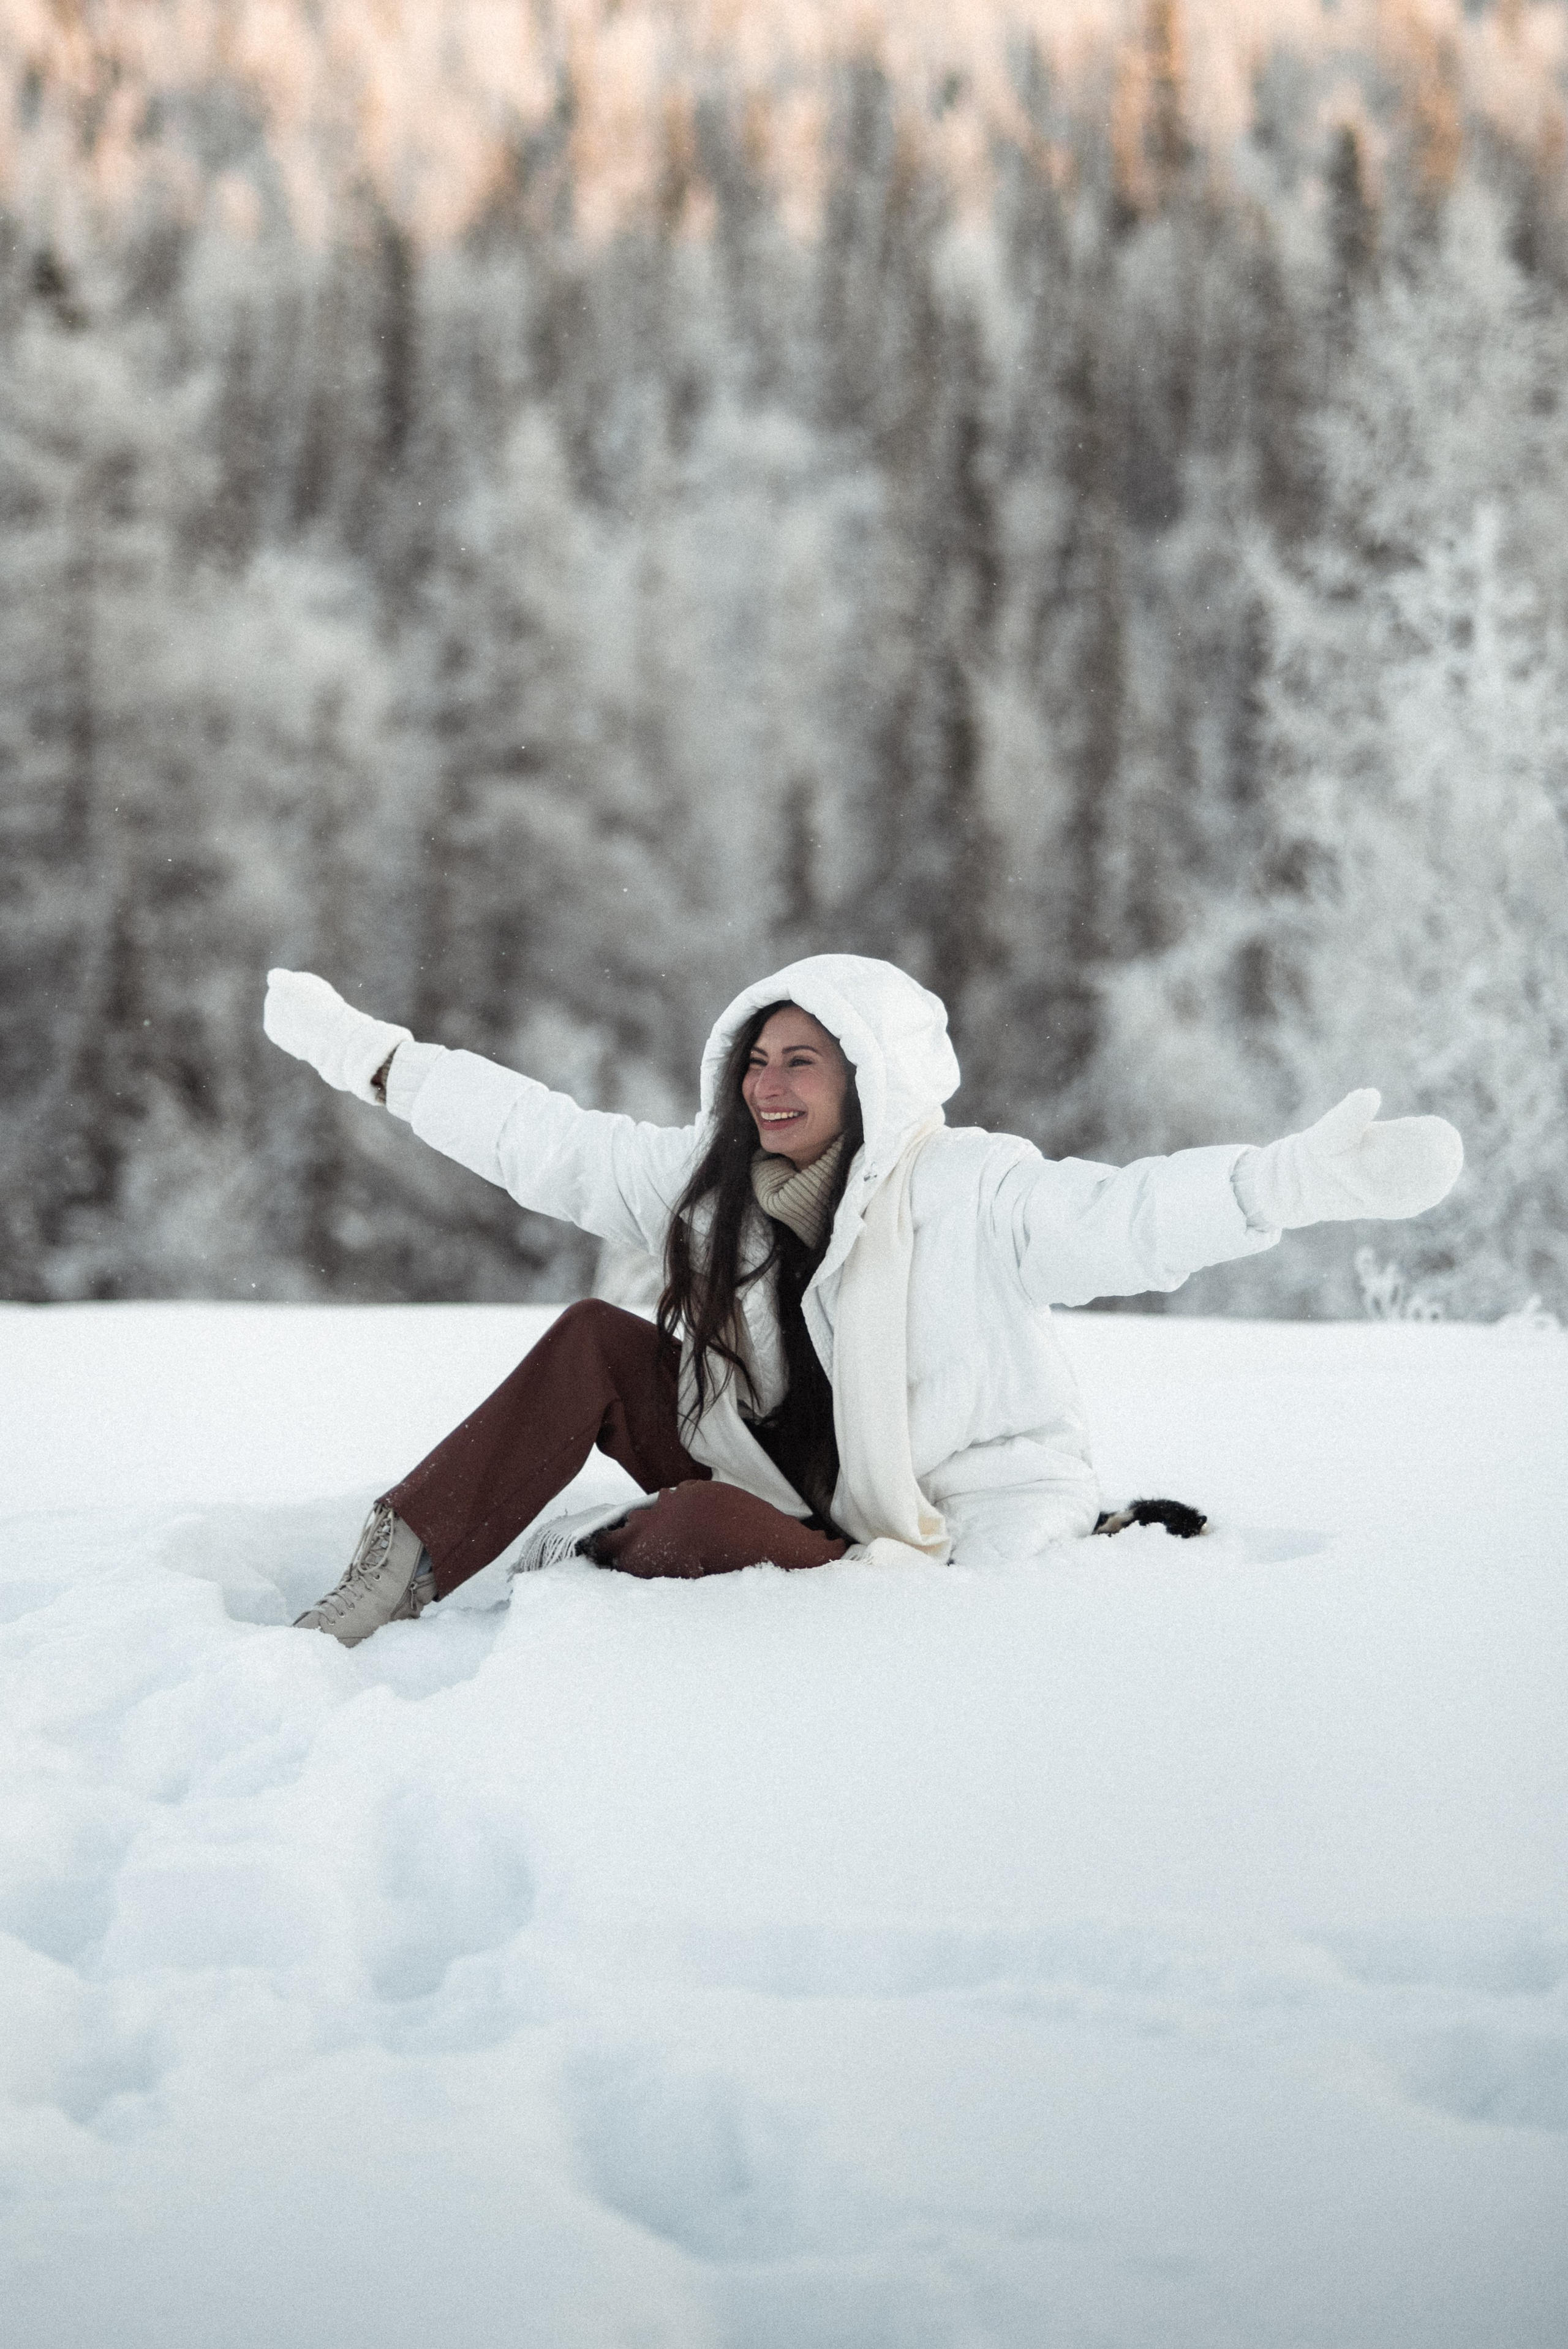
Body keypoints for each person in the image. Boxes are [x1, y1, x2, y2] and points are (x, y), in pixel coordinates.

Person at [263, 954, 1463, 1645]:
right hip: (754, 1457)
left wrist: (1279, 1183)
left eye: (804, 1061)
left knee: (699, 1533)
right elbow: (543, 1140)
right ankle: (393, 1573)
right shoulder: (705, 1180)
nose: (769, 1085)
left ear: (868, 1078)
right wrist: (374, 1057)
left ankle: (584, 1563)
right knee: (590, 1337)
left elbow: (1129, 1219)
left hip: (893, 1525)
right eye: (756, 1058)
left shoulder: (969, 1187)